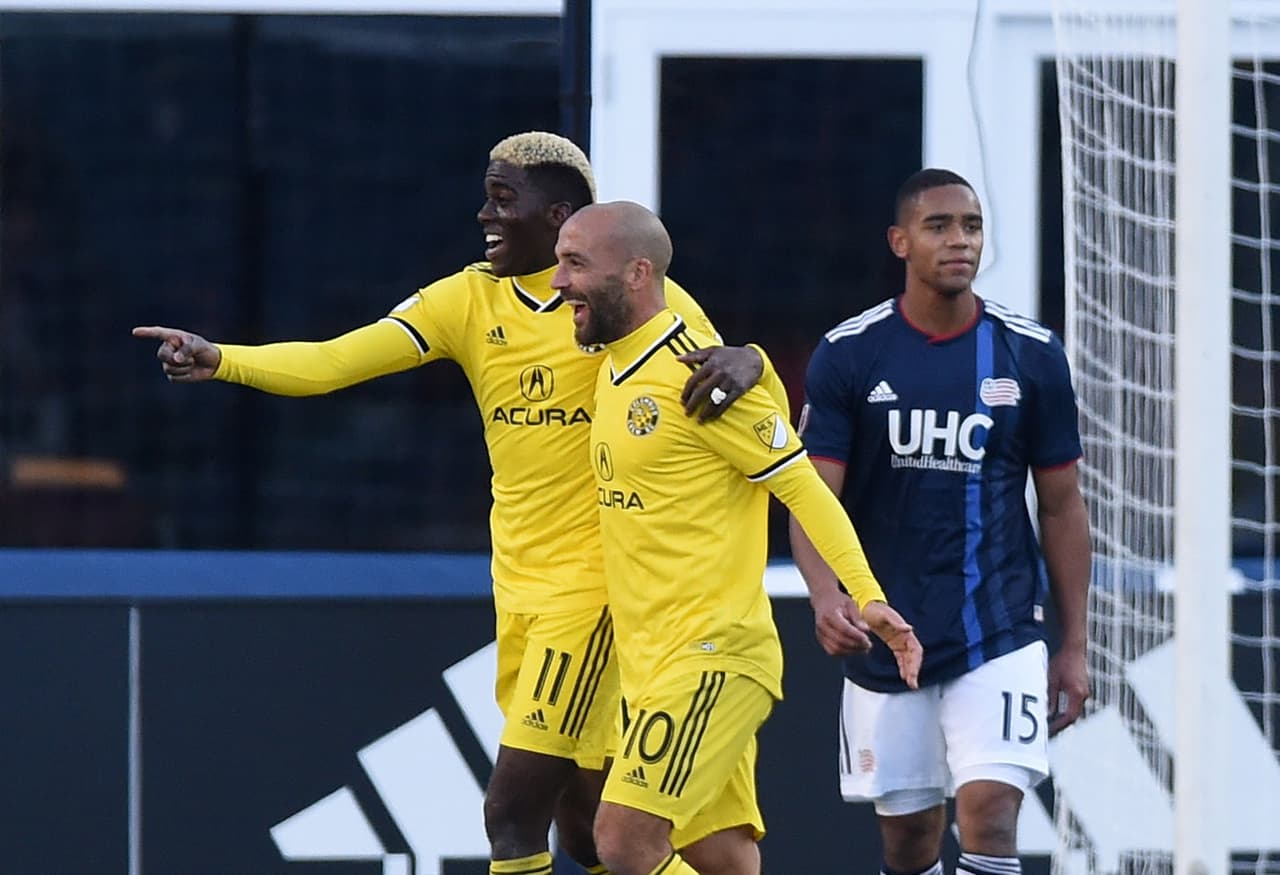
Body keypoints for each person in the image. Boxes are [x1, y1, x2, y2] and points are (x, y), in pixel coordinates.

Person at [133, 132, 770, 875]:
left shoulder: (623, 298)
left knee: (512, 813)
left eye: (503, 199)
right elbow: (338, 359)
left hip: (595, 595)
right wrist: (223, 360)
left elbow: (728, 390)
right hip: (521, 589)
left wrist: (750, 359)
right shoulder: (466, 300)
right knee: (587, 825)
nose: (484, 215)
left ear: (558, 214)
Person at [551, 200, 924, 875]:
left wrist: (865, 594)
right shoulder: (612, 368)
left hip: (712, 656)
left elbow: (805, 487)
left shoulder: (702, 379)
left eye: (574, 264)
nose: (558, 282)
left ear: (637, 273)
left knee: (624, 839)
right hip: (649, 666)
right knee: (719, 858)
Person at [789, 168, 1092, 875]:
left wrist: (1074, 643)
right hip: (889, 629)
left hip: (1000, 628)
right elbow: (812, 499)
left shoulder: (1032, 354)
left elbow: (1061, 505)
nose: (960, 240)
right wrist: (827, 595)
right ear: (900, 241)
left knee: (991, 812)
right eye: (939, 226)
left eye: (972, 226)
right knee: (909, 839)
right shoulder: (851, 352)